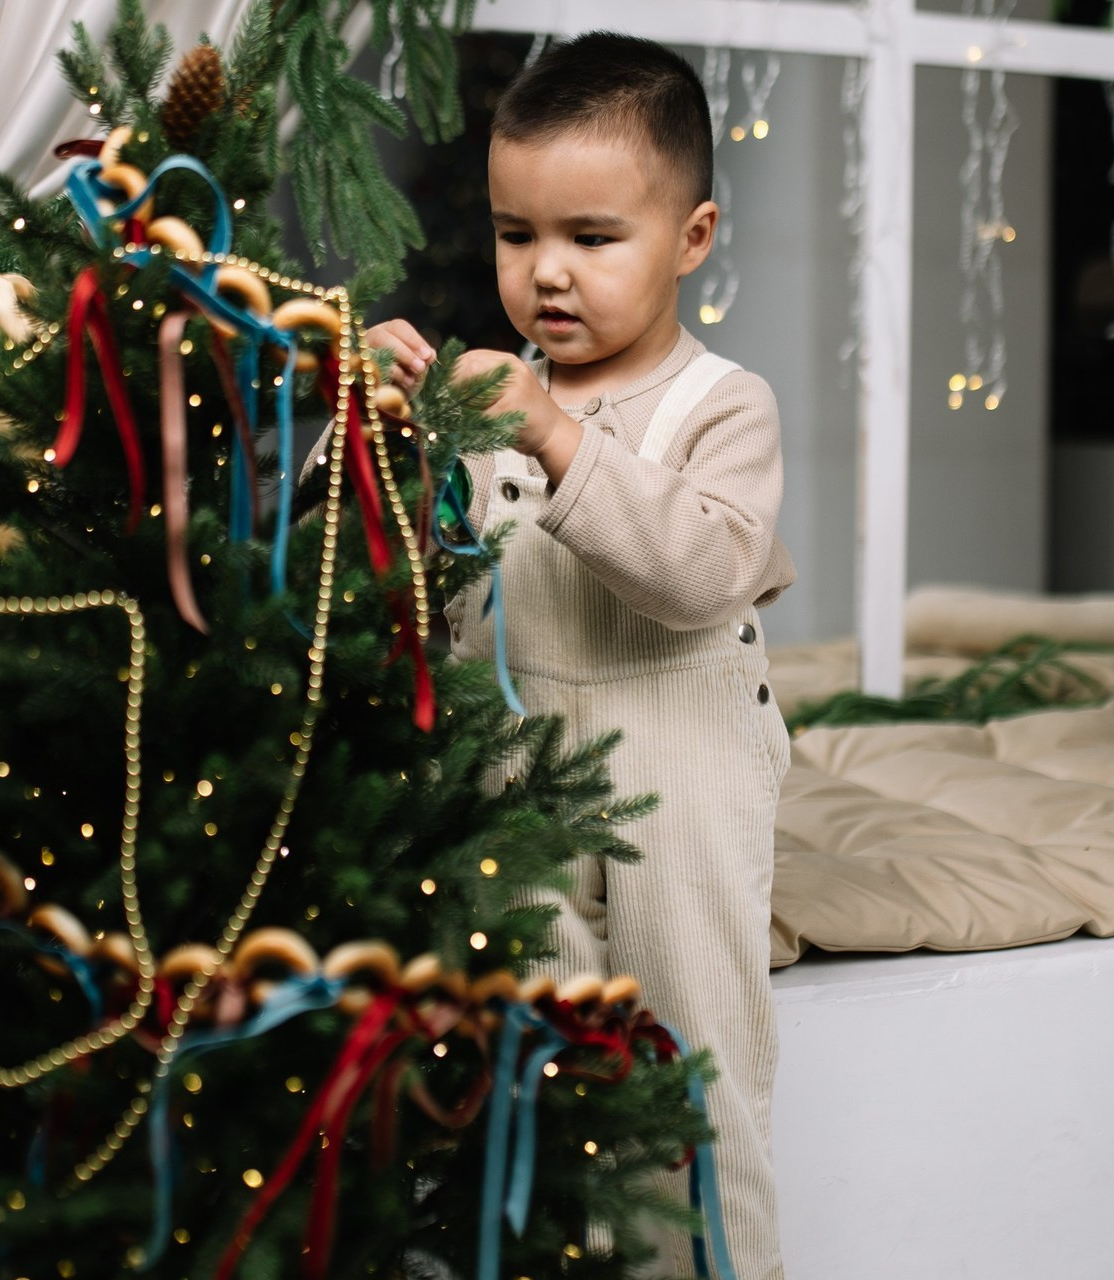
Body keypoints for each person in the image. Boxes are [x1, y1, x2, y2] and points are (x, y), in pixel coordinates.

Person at [362, 31, 795, 1279]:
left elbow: (702, 573)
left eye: (591, 239)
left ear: (691, 237)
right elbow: (445, 591)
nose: (545, 273)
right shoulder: (497, 398)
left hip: (681, 769)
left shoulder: (721, 403)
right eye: (513, 234)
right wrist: (397, 433)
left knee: (683, 1078)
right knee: (538, 1072)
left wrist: (552, 434)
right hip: (522, 781)